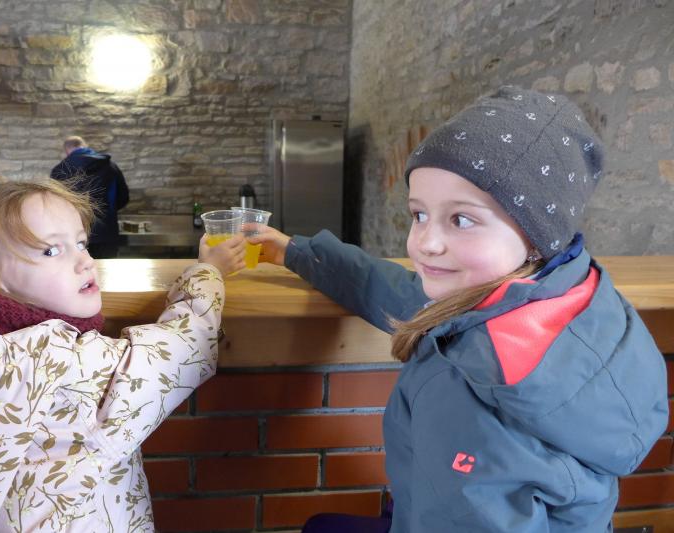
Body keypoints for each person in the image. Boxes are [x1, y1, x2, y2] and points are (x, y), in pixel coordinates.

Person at [250, 86, 668, 532]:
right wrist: (295, 252)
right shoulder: (568, 295)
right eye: (419, 214)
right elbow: (406, 296)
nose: (425, 244)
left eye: (461, 219)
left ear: (536, 234)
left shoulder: (473, 393)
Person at [0, 179, 246, 532]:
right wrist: (208, 271)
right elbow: (187, 345)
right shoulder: (74, 366)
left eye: (81, 242)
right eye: (51, 250)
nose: (85, 261)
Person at [51, 135, 130, 258]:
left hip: (74, 235)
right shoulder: (111, 167)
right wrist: (108, 211)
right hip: (106, 233)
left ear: (67, 150)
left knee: (78, 268)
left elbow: (55, 204)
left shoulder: (60, 170)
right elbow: (123, 198)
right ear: (84, 146)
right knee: (106, 268)